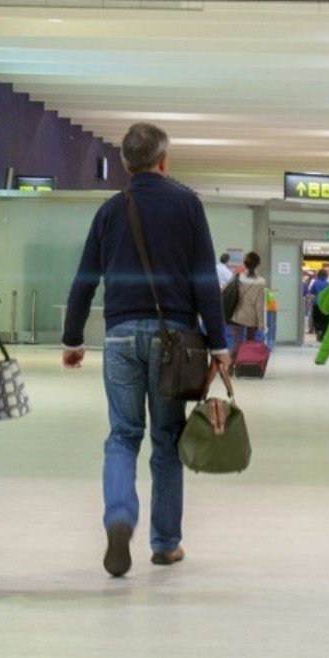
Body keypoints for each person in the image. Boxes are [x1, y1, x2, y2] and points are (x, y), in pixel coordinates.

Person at [62, 123, 230, 577]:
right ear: (163, 160)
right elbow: (204, 282)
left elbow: (84, 280)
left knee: (122, 435)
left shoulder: (111, 211)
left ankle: (119, 516)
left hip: (118, 337)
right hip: (172, 340)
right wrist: (219, 343)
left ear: (124, 163)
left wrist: (73, 339)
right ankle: (165, 542)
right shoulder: (187, 206)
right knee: (166, 439)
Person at [230, 251, 268, 342]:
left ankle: (235, 356)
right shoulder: (261, 282)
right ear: (257, 265)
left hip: (237, 315)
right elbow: (259, 304)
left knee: (236, 344)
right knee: (250, 344)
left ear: (245, 264)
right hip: (252, 318)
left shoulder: (237, 277)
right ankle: (247, 356)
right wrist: (261, 321)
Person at [308, 267, 329, 338]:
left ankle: (318, 330)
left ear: (318, 275)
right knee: (324, 319)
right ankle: (323, 332)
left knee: (316, 319)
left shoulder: (315, 282)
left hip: (316, 303)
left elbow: (311, 292)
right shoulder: (328, 284)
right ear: (326, 276)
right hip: (325, 304)